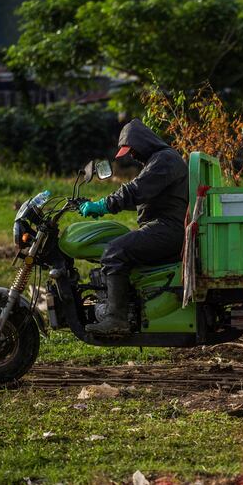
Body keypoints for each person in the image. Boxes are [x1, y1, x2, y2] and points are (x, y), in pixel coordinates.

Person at [79, 119, 188, 335]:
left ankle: (116, 319)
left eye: (134, 151)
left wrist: (104, 205)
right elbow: (145, 198)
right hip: (164, 225)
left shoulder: (165, 159)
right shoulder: (159, 160)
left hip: (167, 228)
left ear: (144, 142)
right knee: (119, 246)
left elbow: (136, 191)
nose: (133, 156)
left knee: (114, 252)